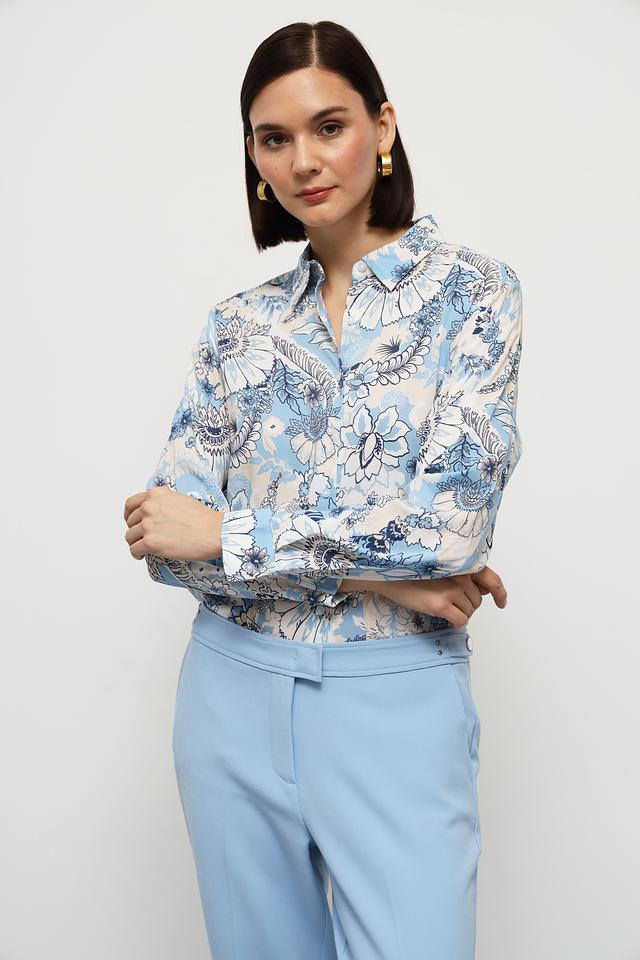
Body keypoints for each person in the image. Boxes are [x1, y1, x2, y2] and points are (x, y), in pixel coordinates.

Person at [123, 19, 523, 960]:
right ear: (254, 158)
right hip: (227, 695)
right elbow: (163, 542)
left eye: (328, 126)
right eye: (274, 138)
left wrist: (225, 534)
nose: (302, 160)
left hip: (396, 702)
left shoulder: (476, 295)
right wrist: (377, 575)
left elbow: (447, 532)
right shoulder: (237, 328)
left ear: (383, 128)